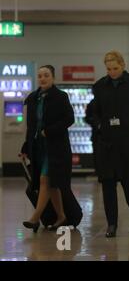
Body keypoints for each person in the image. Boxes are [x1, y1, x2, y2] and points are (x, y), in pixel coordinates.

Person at [92, 50, 129, 238]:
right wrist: (99, 124)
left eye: (115, 68)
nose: (112, 72)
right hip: (107, 143)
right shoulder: (100, 86)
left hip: (128, 142)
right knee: (108, 185)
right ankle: (112, 224)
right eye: (109, 69)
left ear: (123, 66)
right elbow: (95, 112)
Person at [20, 65, 75, 232]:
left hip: (56, 147)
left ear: (53, 78)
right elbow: (31, 126)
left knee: (45, 179)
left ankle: (35, 218)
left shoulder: (61, 97)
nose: (43, 78)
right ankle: (61, 216)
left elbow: (69, 119)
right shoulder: (33, 98)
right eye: (40, 76)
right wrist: (25, 146)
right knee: (52, 185)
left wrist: (49, 131)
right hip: (39, 147)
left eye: (46, 75)